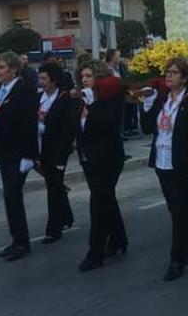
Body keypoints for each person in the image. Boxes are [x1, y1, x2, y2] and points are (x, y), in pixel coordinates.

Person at [142, 57, 188, 281]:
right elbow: (148, 127)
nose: (168, 76)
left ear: (185, 78)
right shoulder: (162, 99)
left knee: (179, 212)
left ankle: (177, 258)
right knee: (174, 210)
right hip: (162, 161)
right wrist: (148, 105)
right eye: (166, 72)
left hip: (182, 164)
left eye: (174, 72)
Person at [0, 52, 39, 262]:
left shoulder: (24, 91)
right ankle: (17, 239)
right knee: (9, 196)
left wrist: (29, 155)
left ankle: (22, 242)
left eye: (2, 67)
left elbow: (28, 125)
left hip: (19, 152)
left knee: (13, 194)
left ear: (13, 70)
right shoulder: (0, 92)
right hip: (4, 152)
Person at [77, 66, 129, 271]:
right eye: (82, 76)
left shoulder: (110, 102)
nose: (85, 80)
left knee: (98, 203)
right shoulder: (81, 100)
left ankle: (95, 252)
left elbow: (108, 124)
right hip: (88, 158)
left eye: (89, 76)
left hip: (108, 159)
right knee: (106, 200)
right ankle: (118, 238)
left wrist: (92, 104)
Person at [37, 62, 78, 245]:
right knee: (54, 184)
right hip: (40, 149)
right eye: (40, 78)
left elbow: (67, 128)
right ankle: (66, 216)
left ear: (54, 80)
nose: (41, 82)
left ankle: (53, 229)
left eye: (44, 78)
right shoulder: (39, 97)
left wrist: (61, 151)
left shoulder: (63, 98)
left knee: (53, 187)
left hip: (57, 149)